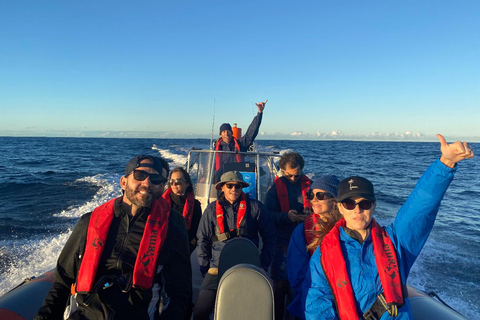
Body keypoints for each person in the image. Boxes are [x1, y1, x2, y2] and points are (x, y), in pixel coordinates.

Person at [305, 134, 474, 320]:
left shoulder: (396, 241)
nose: (357, 209)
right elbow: (318, 304)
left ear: (374, 206)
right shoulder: (323, 254)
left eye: (365, 203)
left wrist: (446, 163)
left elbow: (420, 207)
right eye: (349, 203)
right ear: (339, 207)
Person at [35, 155, 192, 320]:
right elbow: (62, 282)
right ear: (123, 182)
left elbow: (180, 294)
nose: (147, 183)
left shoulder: (171, 229)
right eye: (139, 176)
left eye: (155, 179)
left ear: (160, 187)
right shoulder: (89, 222)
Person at [194, 171, 276, 320]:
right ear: (222, 188)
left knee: (259, 308)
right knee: (200, 310)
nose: (234, 189)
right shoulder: (211, 210)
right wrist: (205, 269)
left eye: (237, 186)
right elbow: (203, 240)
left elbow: (270, 238)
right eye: (229, 185)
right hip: (216, 267)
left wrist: (263, 265)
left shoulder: (256, 207)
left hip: (249, 265)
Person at [286, 176, 341, 320]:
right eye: (311, 195)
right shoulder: (302, 232)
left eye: (320, 195)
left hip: (345, 300)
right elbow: (296, 275)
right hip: (312, 302)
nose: (314, 199)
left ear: (335, 200)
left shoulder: (348, 230)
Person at [265, 152, 312, 320]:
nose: (293, 179)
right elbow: (267, 215)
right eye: (289, 175)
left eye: (296, 175)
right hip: (282, 241)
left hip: (306, 242)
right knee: (280, 285)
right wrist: (286, 216)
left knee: (302, 285)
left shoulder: (311, 187)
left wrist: (311, 216)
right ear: (283, 171)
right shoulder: (274, 190)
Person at [214, 100, 268, 175]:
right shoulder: (216, 150)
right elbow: (212, 166)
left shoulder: (240, 144)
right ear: (220, 134)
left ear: (232, 133)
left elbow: (252, 132)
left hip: (238, 178)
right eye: (224, 132)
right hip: (222, 179)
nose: (226, 134)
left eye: (228, 131)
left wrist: (259, 113)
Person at [162, 167, 202, 254]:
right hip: (163, 248)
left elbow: (197, 231)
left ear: (187, 183)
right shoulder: (161, 203)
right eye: (171, 182)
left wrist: (188, 248)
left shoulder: (195, 205)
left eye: (178, 182)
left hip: (185, 249)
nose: (174, 185)